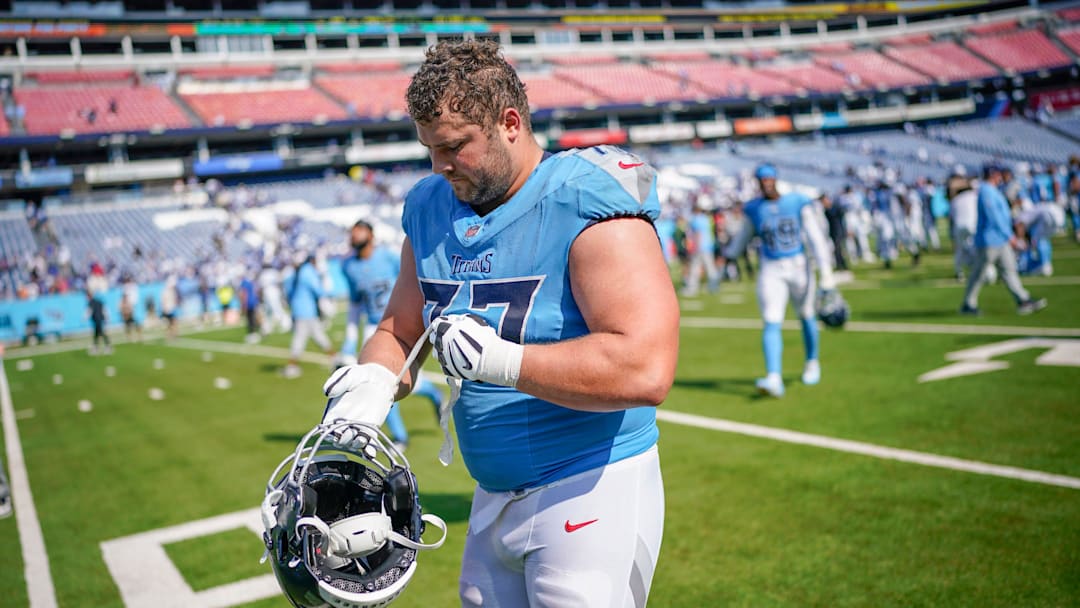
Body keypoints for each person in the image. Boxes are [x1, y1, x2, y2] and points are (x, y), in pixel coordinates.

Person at [320, 39, 678, 608]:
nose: (439, 165)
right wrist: (373, 382)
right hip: (492, 491)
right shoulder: (431, 206)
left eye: (456, 146)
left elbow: (645, 367)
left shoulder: (583, 198)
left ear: (510, 123)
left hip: (591, 484)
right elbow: (400, 331)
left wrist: (503, 362)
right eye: (430, 148)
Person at [719, 163, 836, 398]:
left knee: (806, 315)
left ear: (776, 179)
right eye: (762, 179)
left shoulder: (796, 202)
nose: (766, 182)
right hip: (771, 267)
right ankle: (774, 377)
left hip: (799, 264)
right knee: (771, 319)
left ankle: (812, 361)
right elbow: (742, 238)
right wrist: (726, 260)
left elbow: (815, 238)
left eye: (769, 178)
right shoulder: (754, 208)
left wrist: (826, 274)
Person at [339, 219, 443, 450]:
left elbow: (413, 283)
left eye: (360, 233)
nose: (355, 237)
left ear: (372, 236)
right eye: (353, 233)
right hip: (374, 327)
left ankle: (433, 394)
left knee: (405, 383)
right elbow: (355, 303)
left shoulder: (388, 256)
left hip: (401, 323)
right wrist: (349, 338)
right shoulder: (348, 267)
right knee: (381, 381)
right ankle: (399, 436)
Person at [960, 164, 1047, 316]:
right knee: (979, 274)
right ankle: (968, 304)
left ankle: (1023, 300)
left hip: (999, 239)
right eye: (998, 174)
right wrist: (1010, 236)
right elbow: (994, 217)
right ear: (993, 175)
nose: (1001, 177)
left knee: (1009, 270)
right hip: (989, 240)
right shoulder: (986, 191)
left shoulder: (992, 190)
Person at [283, 252, 335, 379]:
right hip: (307, 311)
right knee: (305, 337)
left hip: (298, 310)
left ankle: (335, 359)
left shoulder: (295, 273)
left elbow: (288, 292)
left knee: (316, 336)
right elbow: (318, 290)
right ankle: (292, 366)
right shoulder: (307, 271)